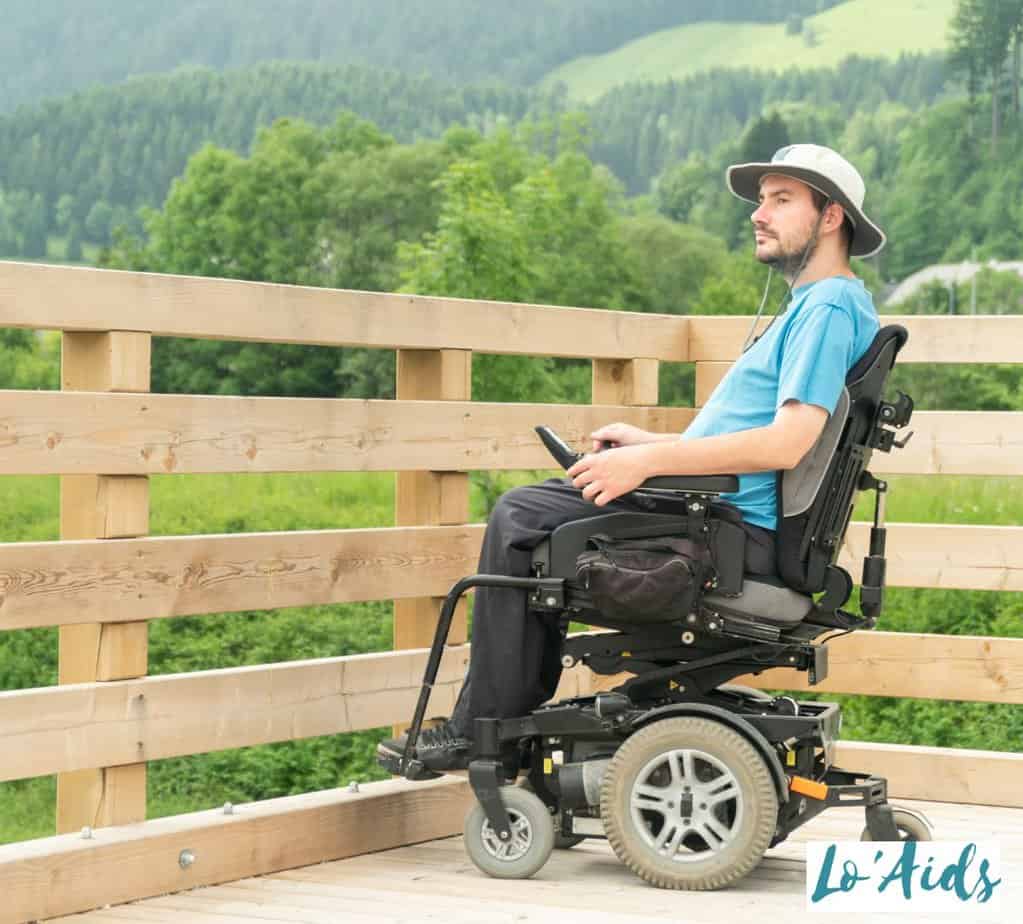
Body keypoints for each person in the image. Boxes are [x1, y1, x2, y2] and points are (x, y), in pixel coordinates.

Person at [378, 143, 884, 773]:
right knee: (542, 508)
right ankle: (497, 722)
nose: (759, 213)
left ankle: (484, 731)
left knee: (520, 517)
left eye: (781, 200)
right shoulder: (820, 307)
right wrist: (649, 448)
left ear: (831, 216)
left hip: (725, 527)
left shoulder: (828, 306)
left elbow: (787, 442)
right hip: (717, 510)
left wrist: (646, 467)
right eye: (761, 200)